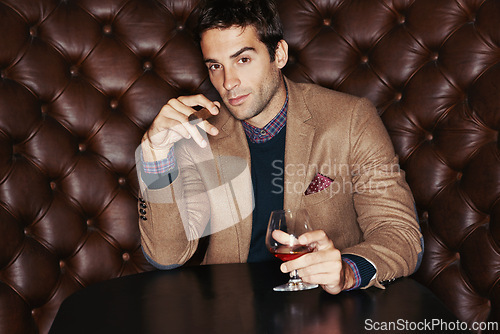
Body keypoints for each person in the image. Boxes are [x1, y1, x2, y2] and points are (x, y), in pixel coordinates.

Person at [137, 0, 423, 294]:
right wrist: (155, 156)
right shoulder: (199, 133)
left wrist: (348, 271)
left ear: (279, 54)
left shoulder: (351, 119)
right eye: (215, 66)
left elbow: (400, 233)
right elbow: (166, 255)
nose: (228, 82)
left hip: (325, 308)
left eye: (243, 59)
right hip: (230, 311)